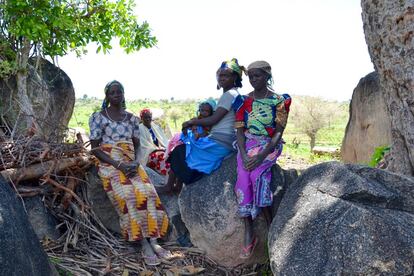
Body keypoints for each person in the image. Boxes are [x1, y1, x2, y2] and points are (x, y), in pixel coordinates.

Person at [88, 81, 172, 266]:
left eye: (119, 91)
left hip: (130, 161)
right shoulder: (98, 117)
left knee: (148, 193)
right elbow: (95, 149)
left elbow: (136, 145)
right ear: (107, 96)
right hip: (109, 162)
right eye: (112, 92)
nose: (116, 94)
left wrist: (135, 162)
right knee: (128, 195)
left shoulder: (133, 118)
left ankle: (154, 240)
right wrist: (118, 164)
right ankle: (143, 243)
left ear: (124, 94)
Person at [233, 61, 291, 259]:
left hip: (268, 145)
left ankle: (271, 225)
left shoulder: (279, 101)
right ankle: (249, 231)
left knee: (258, 176)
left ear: (267, 76)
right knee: (242, 177)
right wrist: (242, 153)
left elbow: (278, 132)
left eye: (257, 76)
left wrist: (261, 156)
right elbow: (240, 131)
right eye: (250, 77)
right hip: (247, 145)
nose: (253, 80)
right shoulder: (243, 101)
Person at [168, 58, 245, 184]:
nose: (221, 78)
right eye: (220, 75)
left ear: (235, 77)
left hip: (220, 141)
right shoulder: (233, 94)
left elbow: (213, 120)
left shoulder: (230, 94)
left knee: (179, 150)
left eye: (226, 75)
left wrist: (191, 122)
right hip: (224, 140)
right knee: (184, 149)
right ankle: (176, 186)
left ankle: (170, 186)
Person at [160, 99, 217, 193]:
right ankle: (173, 185)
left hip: (201, 147)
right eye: (202, 110)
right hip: (193, 144)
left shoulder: (210, 124)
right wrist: (186, 128)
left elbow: (206, 135)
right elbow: (185, 126)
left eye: (207, 111)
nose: (204, 113)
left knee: (180, 154)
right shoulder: (196, 120)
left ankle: (173, 186)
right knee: (178, 153)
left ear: (211, 112)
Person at [138, 108, 170, 176]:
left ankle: (172, 175)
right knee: (162, 155)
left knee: (171, 154)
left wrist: (164, 148)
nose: (147, 119)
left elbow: (163, 140)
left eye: (149, 117)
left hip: (160, 149)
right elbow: (144, 145)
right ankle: (165, 175)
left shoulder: (156, 127)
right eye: (145, 117)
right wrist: (157, 149)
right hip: (148, 153)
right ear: (141, 118)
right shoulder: (139, 129)